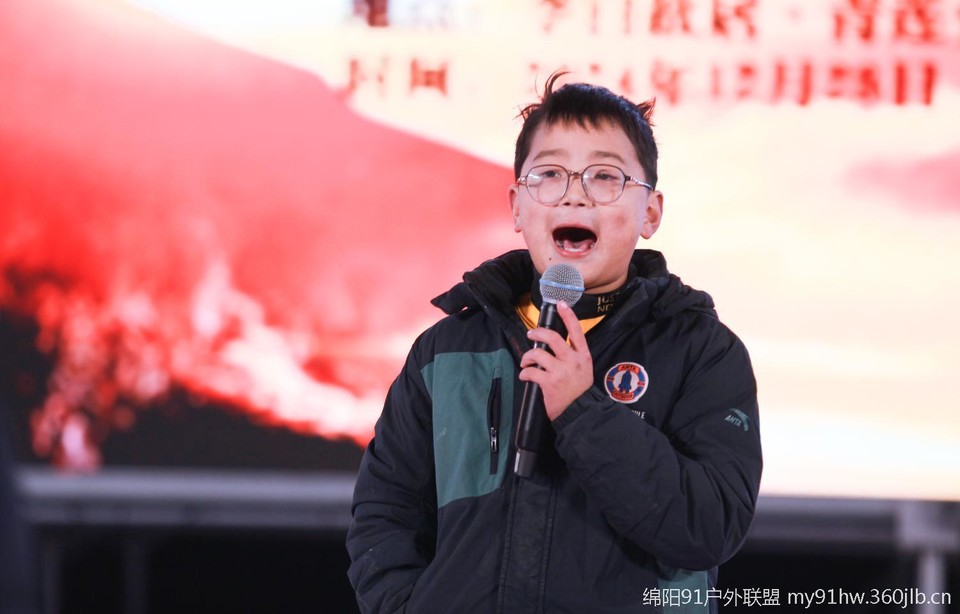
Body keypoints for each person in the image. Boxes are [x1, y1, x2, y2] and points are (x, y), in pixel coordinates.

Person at [346, 73, 763, 613]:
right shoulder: (445, 353)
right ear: (517, 206)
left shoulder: (700, 351)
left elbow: (711, 526)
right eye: (549, 174)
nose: (574, 193)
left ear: (651, 212)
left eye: (605, 176)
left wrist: (582, 412)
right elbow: (384, 518)